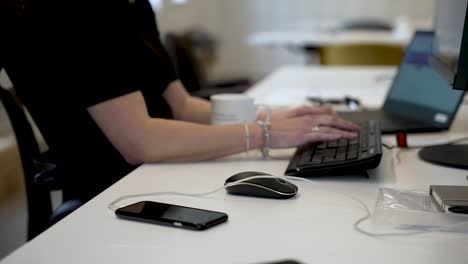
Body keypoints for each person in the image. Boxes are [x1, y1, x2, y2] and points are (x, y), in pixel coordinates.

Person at [0, 0, 359, 202]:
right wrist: (266, 134)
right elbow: (141, 142)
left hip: (163, 169)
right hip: (114, 194)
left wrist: (280, 118)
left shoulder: (132, 4)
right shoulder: (74, 9)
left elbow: (182, 107)